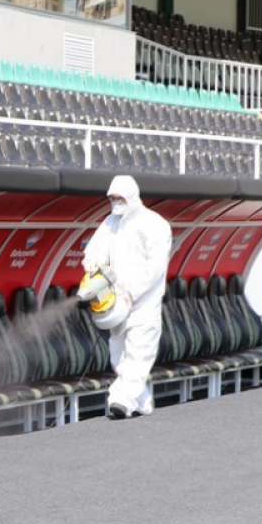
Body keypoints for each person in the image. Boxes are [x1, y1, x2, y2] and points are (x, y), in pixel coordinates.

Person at [82, 175, 172, 419]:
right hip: (116, 302)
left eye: (120, 198)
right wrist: (92, 263)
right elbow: (95, 248)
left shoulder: (154, 224)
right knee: (119, 356)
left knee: (139, 352)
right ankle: (141, 401)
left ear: (132, 196)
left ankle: (120, 400)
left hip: (143, 303)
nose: (116, 202)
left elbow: (153, 266)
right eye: (112, 198)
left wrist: (134, 290)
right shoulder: (111, 222)